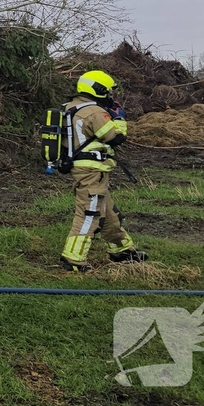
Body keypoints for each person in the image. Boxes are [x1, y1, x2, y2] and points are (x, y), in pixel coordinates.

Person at [60, 70, 148, 272]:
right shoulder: (93, 112)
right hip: (92, 170)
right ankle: (73, 259)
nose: (110, 95)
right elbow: (115, 138)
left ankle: (122, 251)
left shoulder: (70, 107)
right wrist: (119, 118)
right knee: (89, 213)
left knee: (109, 214)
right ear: (99, 90)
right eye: (108, 91)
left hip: (82, 168)